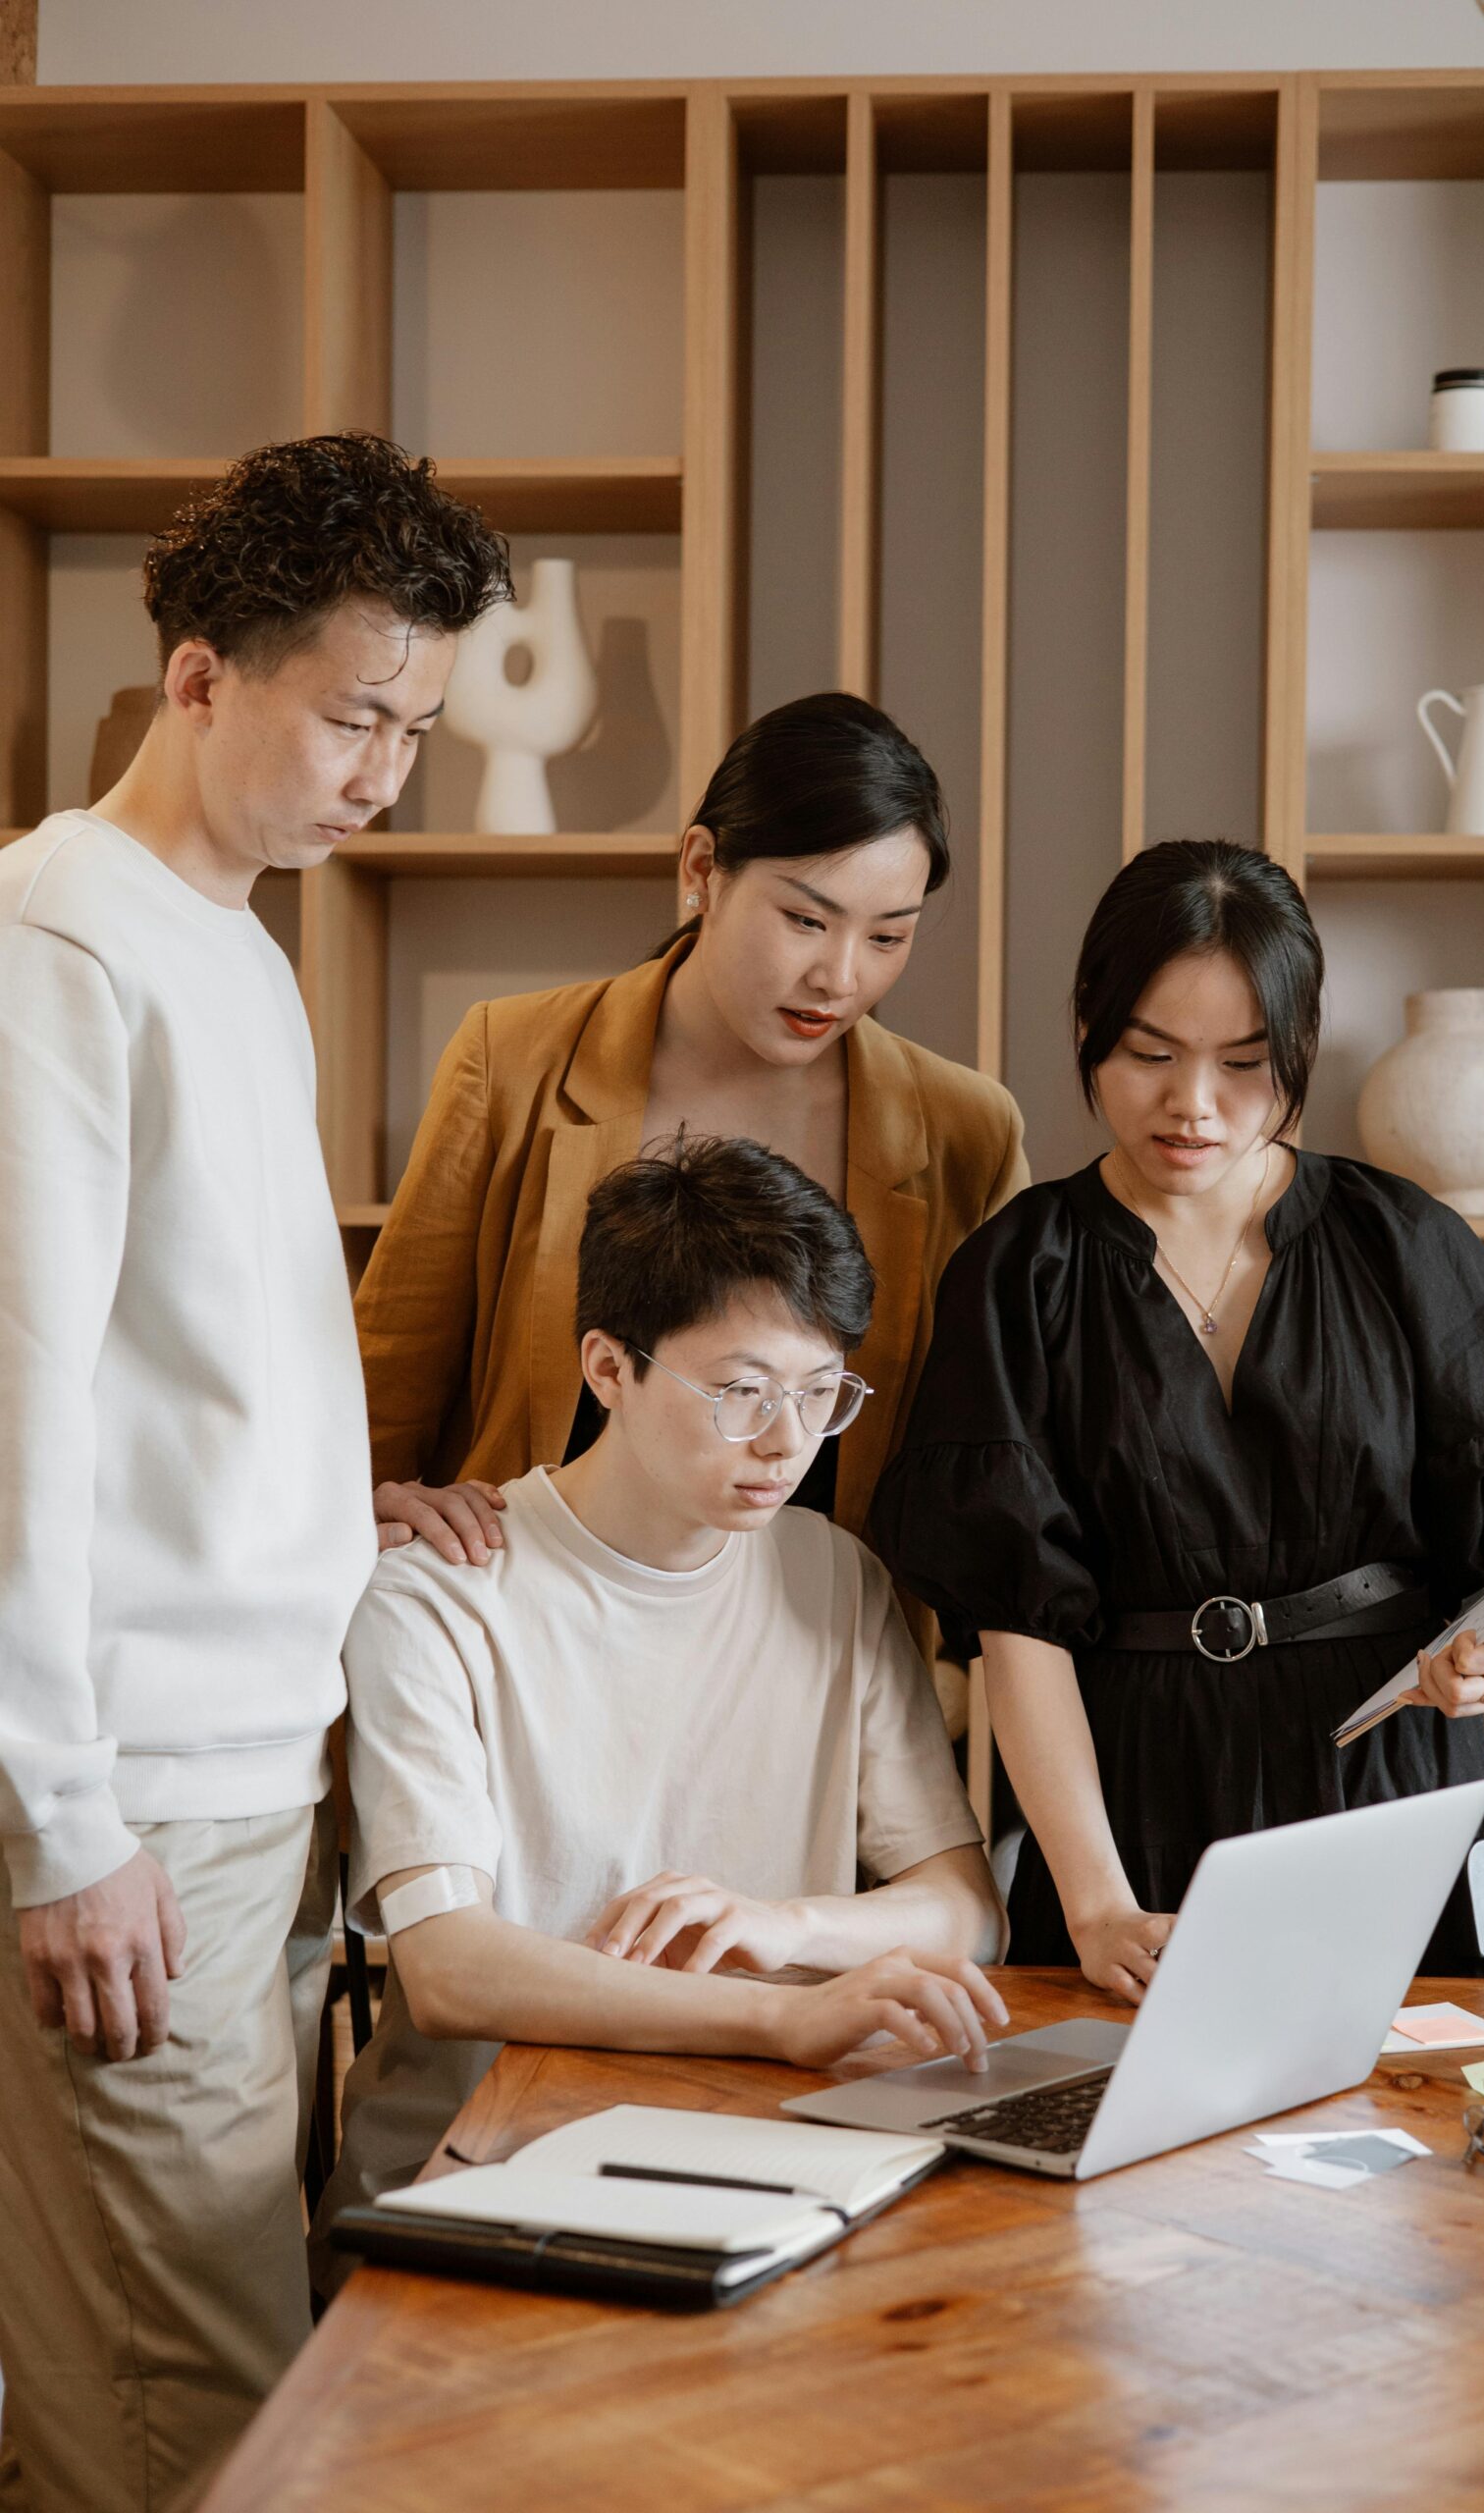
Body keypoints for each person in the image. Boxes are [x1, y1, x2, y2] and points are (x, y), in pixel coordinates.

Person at [0, 434, 511, 2513]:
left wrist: (329, 1498)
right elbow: (22, 1404)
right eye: (354, 713)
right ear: (201, 677)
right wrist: (59, 1820)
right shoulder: (64, 934)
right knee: (202, 2405)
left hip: (248, 1771)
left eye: (420, 723)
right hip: (142, 1799)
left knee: (133, 2379)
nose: (386, 768)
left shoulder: (242, 940)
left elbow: (187, 1351)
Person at [873, 839, 1484, 1997]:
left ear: (1298, 1051)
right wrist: (1093, 1898)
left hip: (1391, 1786)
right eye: (1149, 1054)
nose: (1193, 1105)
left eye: (1245, 1063)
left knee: (1424, 2159)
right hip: (1138, 1801)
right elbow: (1013, 1624)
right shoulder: (1020, 1270)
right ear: (1091, 1023)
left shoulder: (1400, 1239)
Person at [313, 1135, 1006, 2283]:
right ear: (607, 1367)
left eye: (820, 1391)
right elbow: (448, 1970)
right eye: (739, 1391)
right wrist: (781, 2017)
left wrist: (789, 1931)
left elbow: (963, 1910)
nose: (786, 1442)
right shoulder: (437, 1591)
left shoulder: (833, 1578)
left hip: (763, 2169)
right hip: (480, 2184)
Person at [357, 690, 1027, 1581]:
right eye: (805, 920)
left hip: (818, 1641)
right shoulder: (513, 1059)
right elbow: (388, 1379)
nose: (839, 976)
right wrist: (364, 1503)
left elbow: (999, 1445)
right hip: (522, 1613)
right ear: (702, 866)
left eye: (887, 937)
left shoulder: (962, 1129)